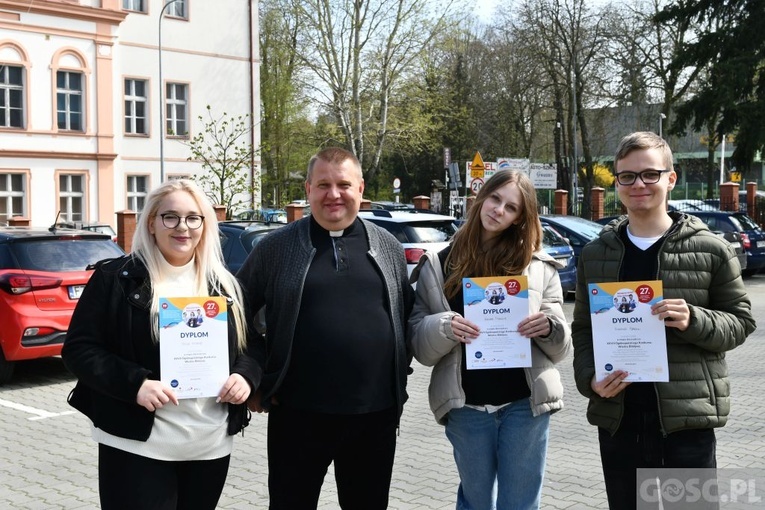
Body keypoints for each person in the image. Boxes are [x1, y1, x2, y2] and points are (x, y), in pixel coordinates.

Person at [571, 131, 756, 509]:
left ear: (670, 179)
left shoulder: (710, 248)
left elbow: (741, 321)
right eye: (627, 176)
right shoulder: (594, 254)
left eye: (650, 174)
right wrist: (589, 379)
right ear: (617, 184)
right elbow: (584, 330)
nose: (639, 184)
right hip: (620, 419)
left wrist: (694, 319)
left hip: (686, 423)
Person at [62, 179, 260, 510]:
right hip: (137, 446)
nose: (183, 227)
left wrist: (245, 376)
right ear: (152, 223)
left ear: (205, 225)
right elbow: (79, 349)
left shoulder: (225, 286)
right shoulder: (116, 279)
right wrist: (135, 383)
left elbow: (253, 346)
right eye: (170, 217)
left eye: (193, 218)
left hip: (208, 445)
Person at [237, 147, 414, 509]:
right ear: (308, 189)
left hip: (374, 417)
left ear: (361, 188)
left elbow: (407, 318)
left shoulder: (388, 246)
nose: (334, 194)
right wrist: (251, 375)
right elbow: (233, 313)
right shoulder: (276, 248)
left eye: (343, 184)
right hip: (298, 416)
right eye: (323, 185)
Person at [408, 170, 571, 510]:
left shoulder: (537, 266)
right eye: (495, 199)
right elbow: (418, 343)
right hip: (467, 406)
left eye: (511, 208)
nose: (499, 210)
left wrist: (549, 327)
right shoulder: (438, 264)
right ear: (482, 196)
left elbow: (561, 349)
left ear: (518, 219)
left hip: (525, 406)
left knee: (520, 505)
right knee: (475, 503)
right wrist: (444, 327)